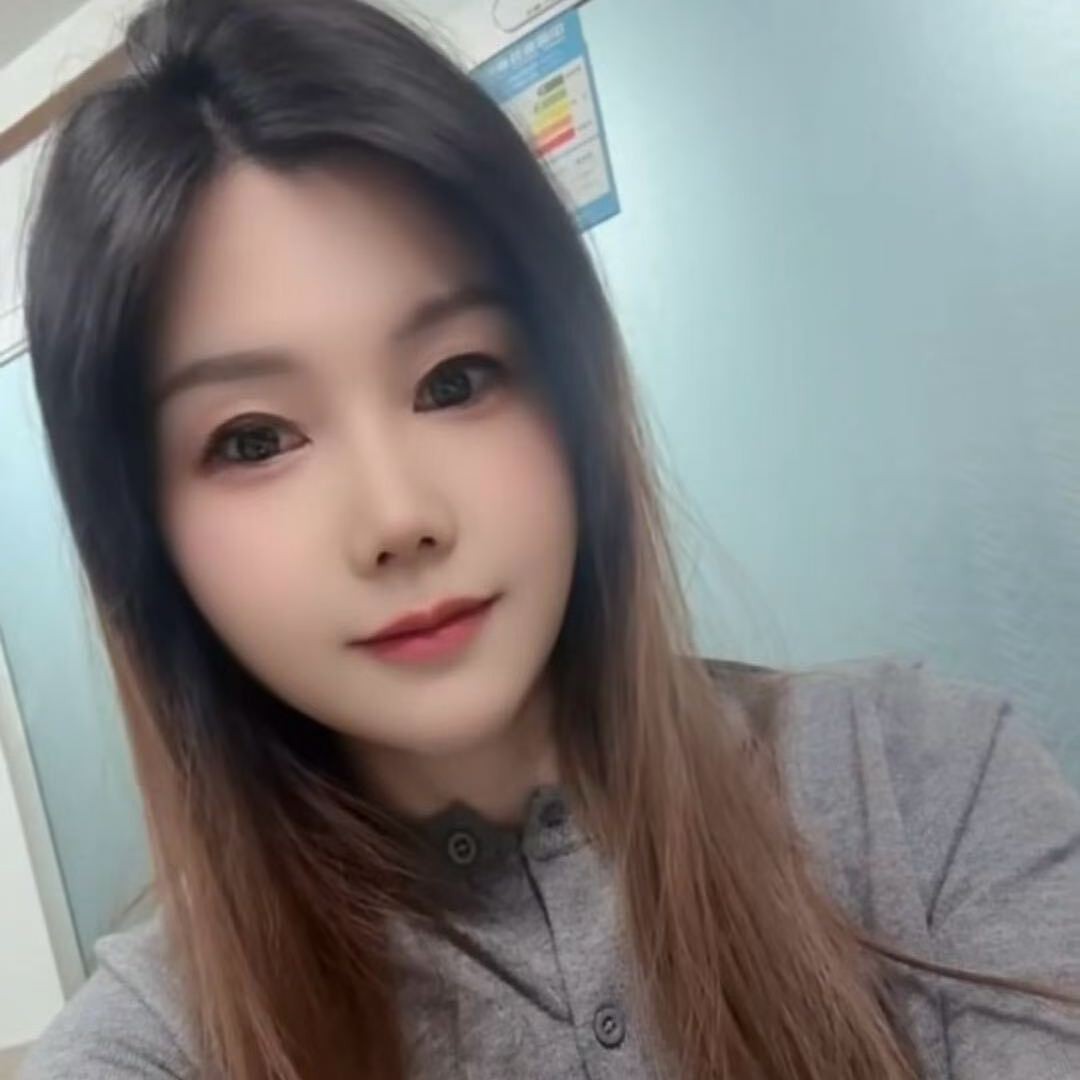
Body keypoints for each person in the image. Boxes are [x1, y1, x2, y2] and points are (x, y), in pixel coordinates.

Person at [18, 0, 1080, 1076]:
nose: (398, 518)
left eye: (456, 379)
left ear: (572, 395)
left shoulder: (923, 785)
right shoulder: (159, 1043)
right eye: (254, 440)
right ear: (144, 534)